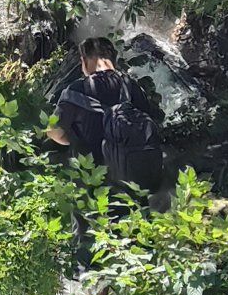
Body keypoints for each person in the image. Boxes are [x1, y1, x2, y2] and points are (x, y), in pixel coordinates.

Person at [47, 35, 167, 191]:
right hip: (132, 183)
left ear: (84, 61)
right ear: (114, 60)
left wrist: (76, 138)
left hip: (92, 184)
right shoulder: (131, 86)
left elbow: (54, 131)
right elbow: (151, 124)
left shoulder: (75, 91)